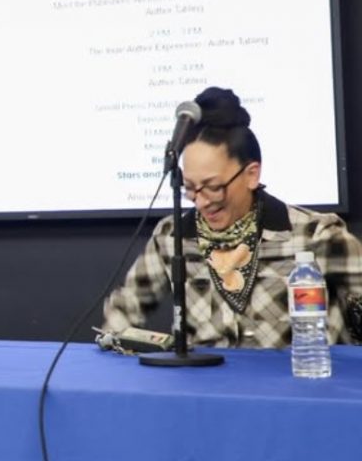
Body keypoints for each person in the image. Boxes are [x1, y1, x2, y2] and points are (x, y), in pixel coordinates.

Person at [103, 87, 362, 348]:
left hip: (293, 383)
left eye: (214, 187)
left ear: (251, 174)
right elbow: (125, 307)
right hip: (202, 384)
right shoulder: (172, 236)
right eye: (190, 188)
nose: (201, 201)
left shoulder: (315, 234)